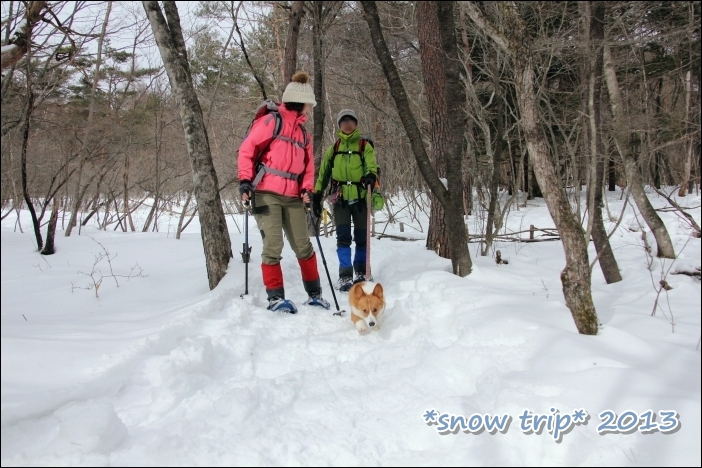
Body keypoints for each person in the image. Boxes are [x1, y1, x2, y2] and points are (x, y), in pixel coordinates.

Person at [238, 72, 330, 313]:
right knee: (273, 245)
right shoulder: (272, 122)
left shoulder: (303, 135)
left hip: (293, 197)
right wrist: (245, 181)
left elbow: (308, 169)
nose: (311, 108)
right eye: (309, 104)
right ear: (300, 102)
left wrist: (307, 189)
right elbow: (247, 149)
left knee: (303, 245)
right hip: (266, 192)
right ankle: (275, 298)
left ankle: (315, 294)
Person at [313, 109, 378, 292]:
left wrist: (371, 176)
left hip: (360, 198)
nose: (347, 124)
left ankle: (362, 272)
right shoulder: (333, 149)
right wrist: (317, 194)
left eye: (351, 120)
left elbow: (371, 165)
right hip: (340, 199)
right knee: (343, 238)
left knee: (361, 238)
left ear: (356, 124)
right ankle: (345, 274)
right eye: (344, 121)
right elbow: (324, 174)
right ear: (339, 125)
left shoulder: (364, 146)